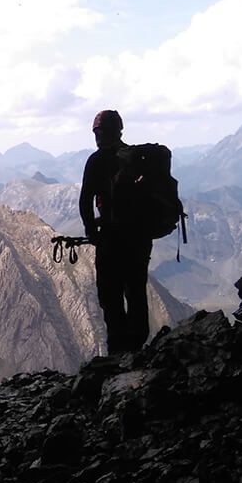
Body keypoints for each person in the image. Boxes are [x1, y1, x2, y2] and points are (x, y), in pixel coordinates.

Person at [78, 109, 153, 354]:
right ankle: (138, 348)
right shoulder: (135, 158)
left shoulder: (97, 160)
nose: (98, 136)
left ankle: (118, 352)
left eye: (99, 132)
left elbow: (85, 200)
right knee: (136, 291)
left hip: (111, 239)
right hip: (139, 239)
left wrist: (92, 231)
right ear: (119, 131)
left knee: (110, 296)